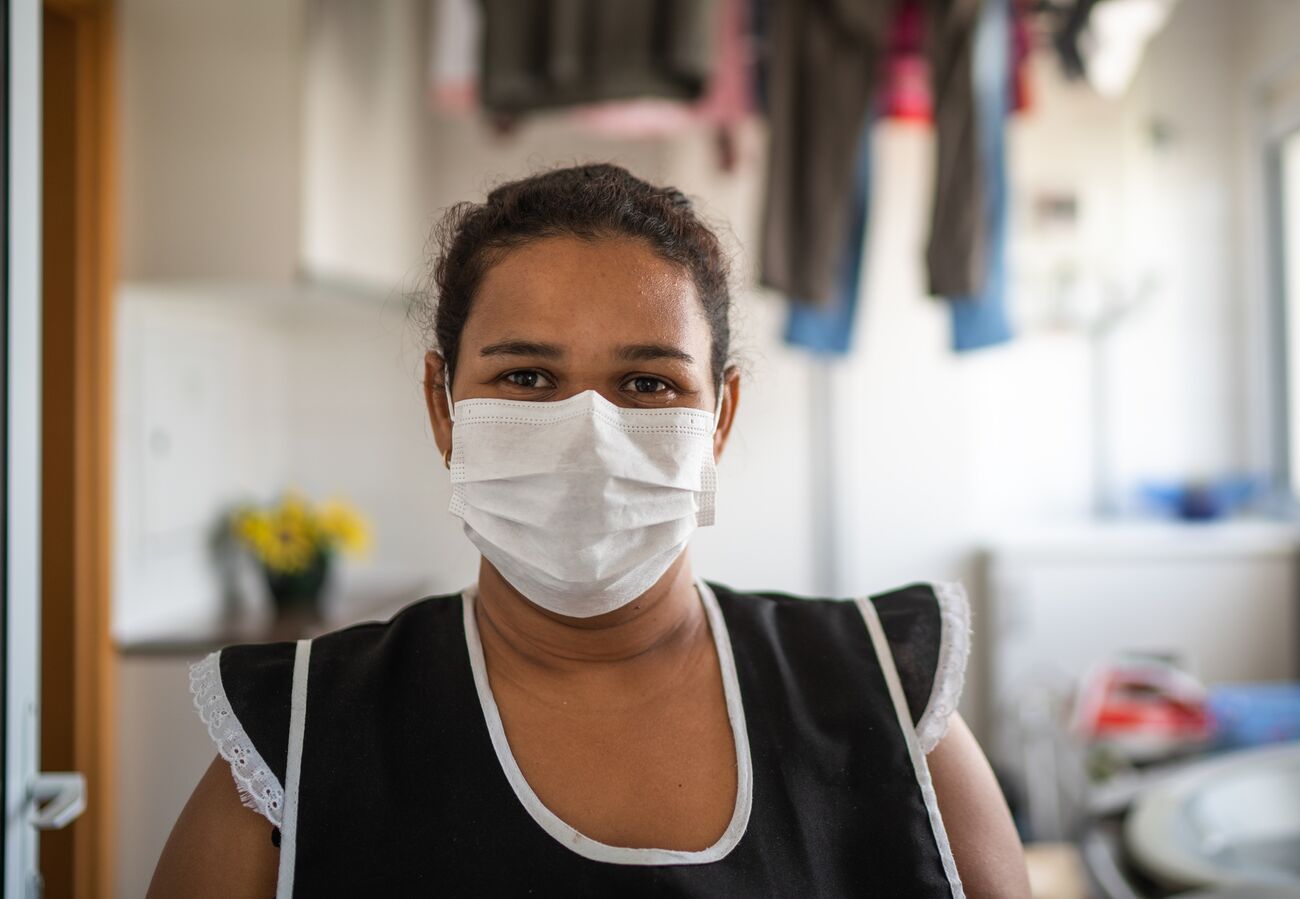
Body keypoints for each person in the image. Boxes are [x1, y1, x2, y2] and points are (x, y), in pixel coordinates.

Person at [149, 164, 1029, 897]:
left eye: (647, 384)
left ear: (718, 417)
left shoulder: (886, 695)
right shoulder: (291, 743)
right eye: (528, 377)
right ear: (443, 406)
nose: (589, 433)